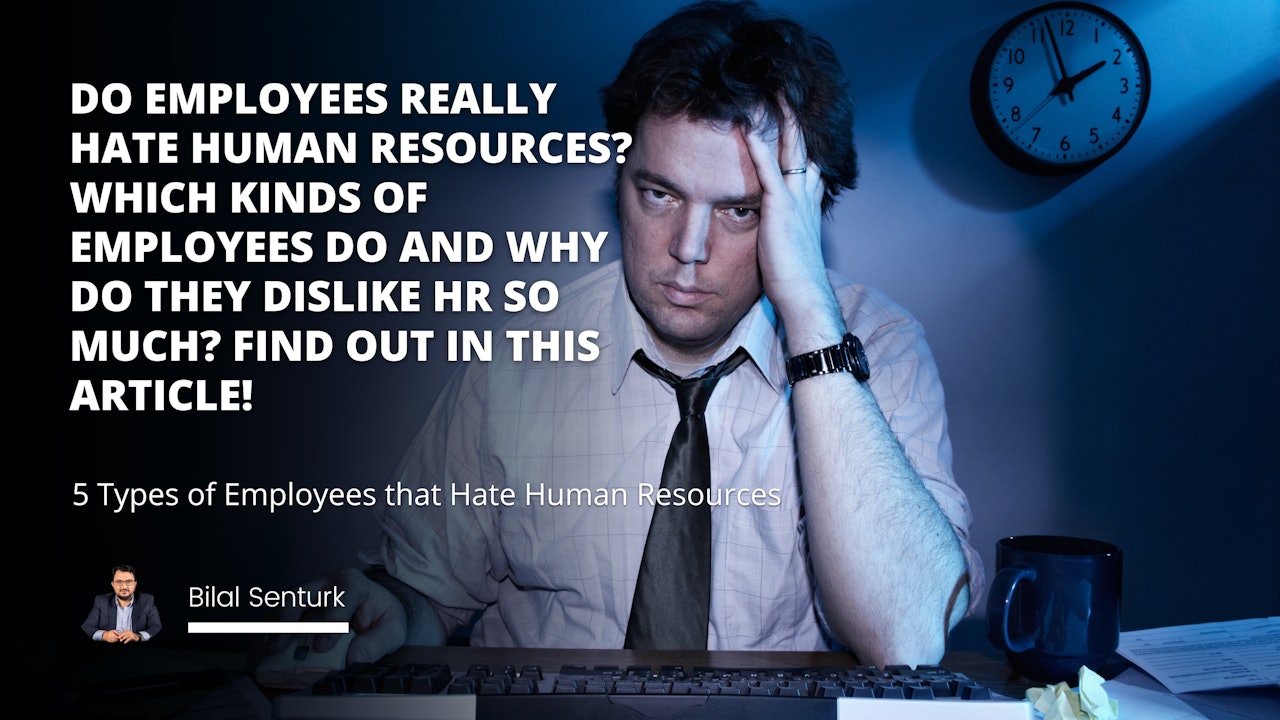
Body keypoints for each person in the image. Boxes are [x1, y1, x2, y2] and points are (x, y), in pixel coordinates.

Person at [280, 0, 982, 667]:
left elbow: (906, 636)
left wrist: (810, 317)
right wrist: (393, 613)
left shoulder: (878, 348)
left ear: (801, 213)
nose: (688, 247)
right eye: (660, 194)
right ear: (619, 179)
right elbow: (426, 595)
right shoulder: (519, 359)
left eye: (740, 210)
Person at [82, 565, 162, 643]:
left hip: (138, 650)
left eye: (129, 582)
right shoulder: (101, 601)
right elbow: (87, 626)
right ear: (112, 584)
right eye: (119, 582)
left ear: (135, 584)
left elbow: (156, 626)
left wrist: (138, 637)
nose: (124, 586)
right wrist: (104, 635)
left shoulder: (147, 600)